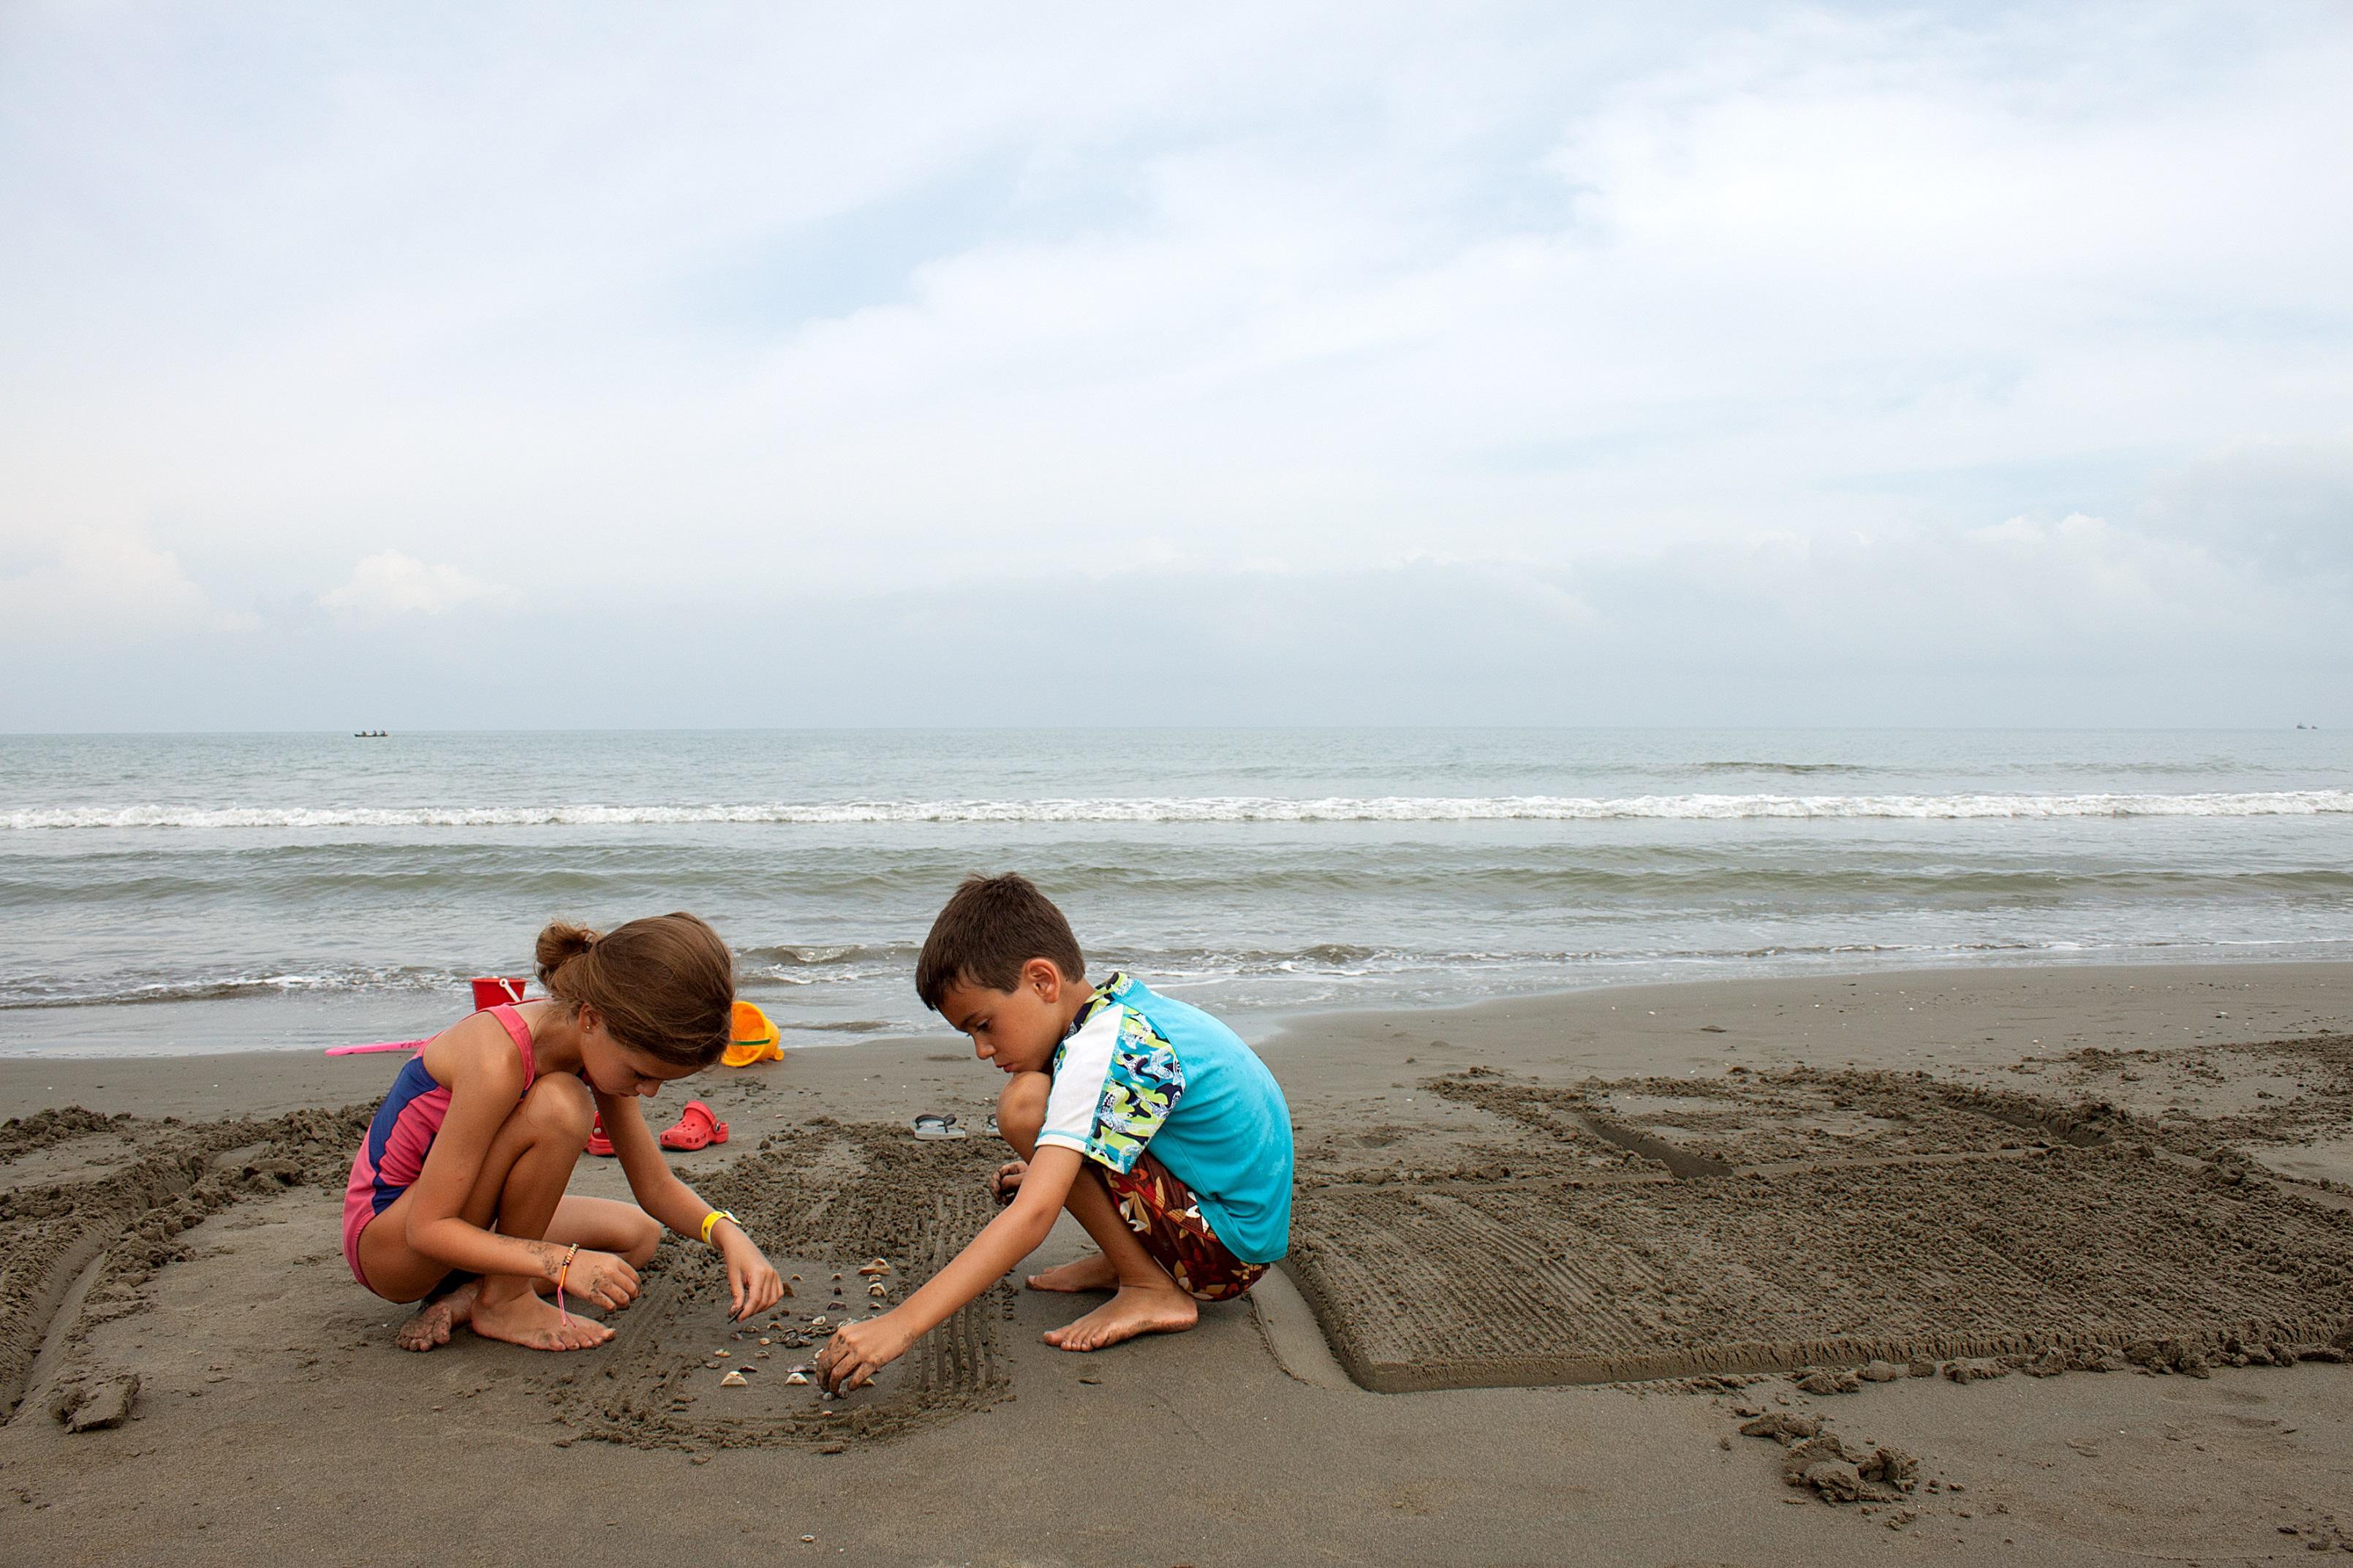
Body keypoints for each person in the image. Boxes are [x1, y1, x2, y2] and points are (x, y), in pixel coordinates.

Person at [819, 874, 1293, 1390]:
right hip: (1229, 1224)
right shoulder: (1119, 1011)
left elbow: (1035, 1216)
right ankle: (1130, 1262)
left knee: (1025, 1107)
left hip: (1225, 1250)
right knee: (1041, 1122)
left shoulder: (1100, 1049)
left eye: (984, 1024)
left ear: (1043, 980)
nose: (981, 1049)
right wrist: (1051, 1167)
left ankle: (1148, 1284)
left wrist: (899, 1324)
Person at [341, 912, 785, 1352]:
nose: (648, 1093)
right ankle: (506, 1299)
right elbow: (428, 1229)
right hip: (391, 1244)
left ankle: (472, 1297)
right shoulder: (498, 1060)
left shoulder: (599, 1047)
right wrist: (562, 1262)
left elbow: (654, 1185)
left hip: (461, 1218)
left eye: (662, 1081)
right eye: (642, 1074)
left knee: (637, 1238)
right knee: (561, 1104)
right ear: (591, 1019)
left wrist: (728, 1233)